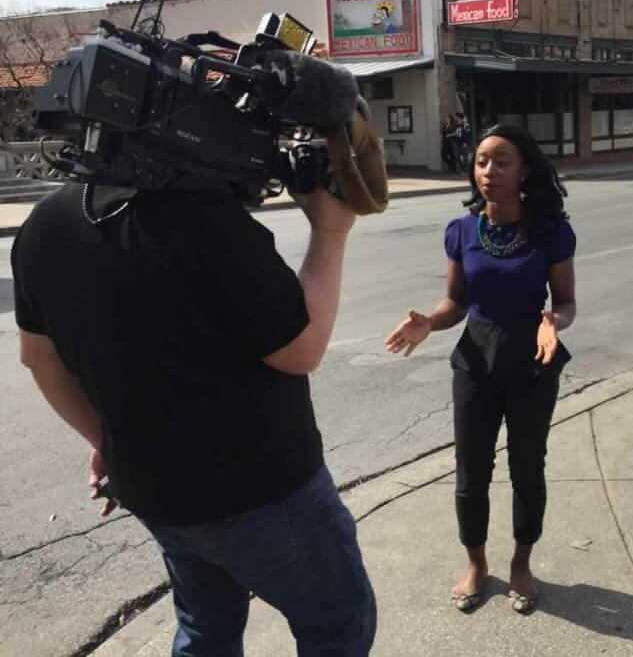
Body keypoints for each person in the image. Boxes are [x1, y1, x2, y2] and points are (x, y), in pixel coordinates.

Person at [13, 182, 377, 656]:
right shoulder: (207, 216)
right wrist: (331, 228)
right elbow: (301, 349)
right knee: (339, 621)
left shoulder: (45, 223)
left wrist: (107, 438)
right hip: (266, 493)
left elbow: (38, 358)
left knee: (207, 627)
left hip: (157, 496)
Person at [384, 124, 576, 615]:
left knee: (527, 469)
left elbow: (567, 302)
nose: (489, 171)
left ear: (524, 170)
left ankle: (520, 564)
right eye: (482, 161)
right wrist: (430, 321)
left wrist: (552, 320)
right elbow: (455, 301)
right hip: (475, 361)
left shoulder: (550, 231)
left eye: (502, 161)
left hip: (534, 362)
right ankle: (476, 563)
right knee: (471, 472)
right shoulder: (463, 231)